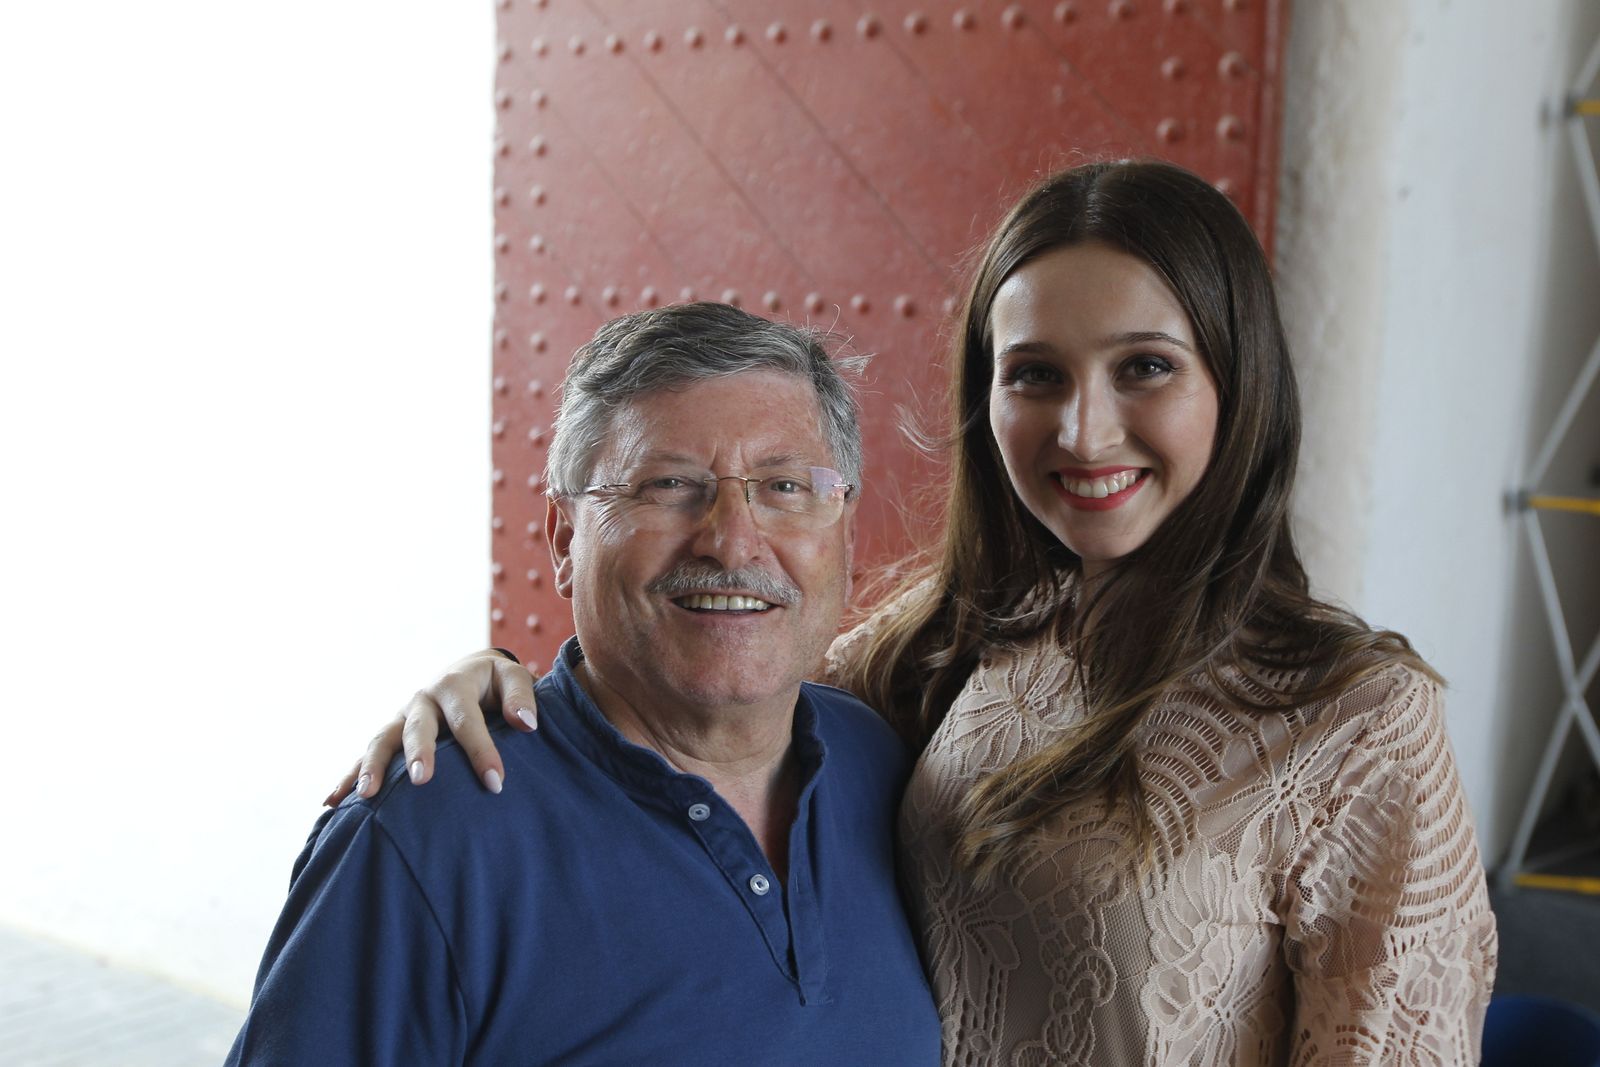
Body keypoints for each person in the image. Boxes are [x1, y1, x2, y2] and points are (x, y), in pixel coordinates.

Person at [338, 160, 1497, 1065]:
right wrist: (498, 682)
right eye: (1034, 373)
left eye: (1143, 366)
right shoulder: (938, 656)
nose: (1082, 430)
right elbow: (709, 667)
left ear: (1234, 385)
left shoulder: (1353, 719)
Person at [229, 303, 941, 1065]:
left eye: (785, 486)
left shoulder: (891, 769)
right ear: (565, 537)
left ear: (845, 531)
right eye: (669, 484)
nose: (733, 538)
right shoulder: (429, 838)